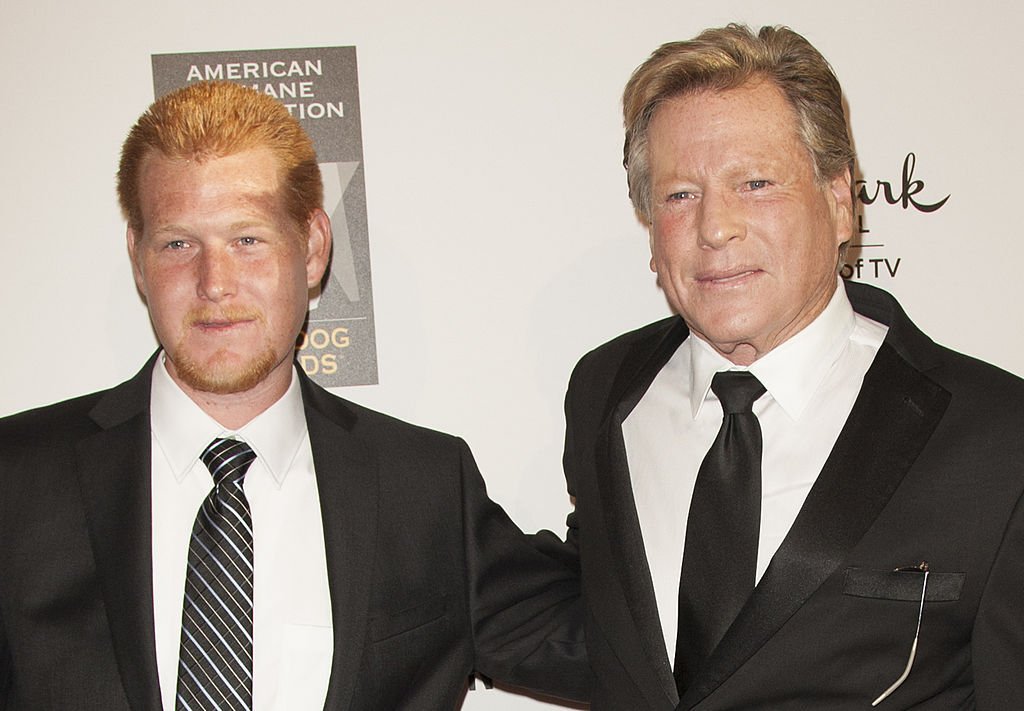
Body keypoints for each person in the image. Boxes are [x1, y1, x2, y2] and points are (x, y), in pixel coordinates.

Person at [0, 80, 587, 710]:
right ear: (138, 258)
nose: (214, 283)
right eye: (178, 244)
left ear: (311, 247)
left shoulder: (423, 487)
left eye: (247, 240)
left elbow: (612, 646)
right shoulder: (19, 478)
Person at [562, 23, 1024, 710]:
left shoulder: (996, 436)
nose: (716, 227)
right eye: (680, 194)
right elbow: (589, 621)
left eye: (754, 182)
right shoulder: (605, 393)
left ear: (840, 202)